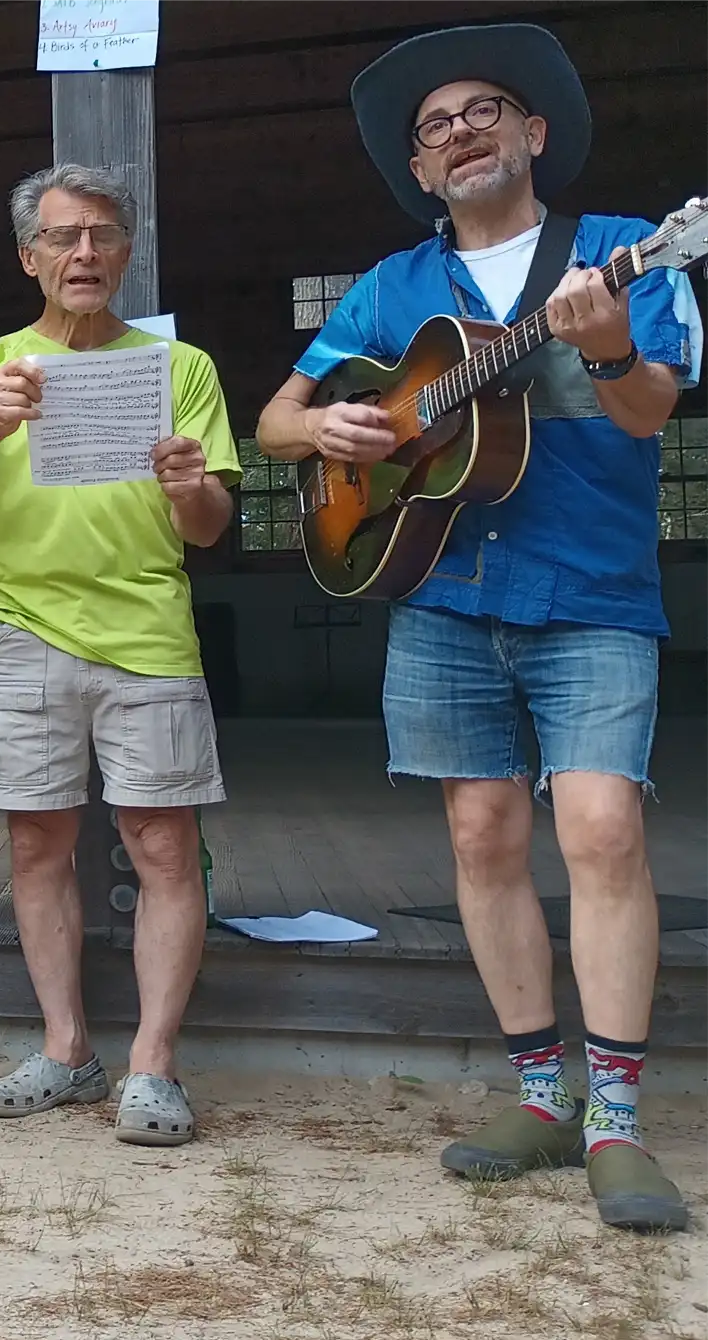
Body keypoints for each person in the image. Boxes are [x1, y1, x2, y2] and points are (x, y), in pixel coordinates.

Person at [255, 25, 702, 1229]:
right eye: (433, 127)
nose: (457, 133)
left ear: (534, 132)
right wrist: (328, 436)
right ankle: (539, 1096)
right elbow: (275, 420)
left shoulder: (621, 255)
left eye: (481, 112)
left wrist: (606, 346)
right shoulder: (394, 288)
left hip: (588, 587)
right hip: (440, 594)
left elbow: (652, 405)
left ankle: (614, 1120)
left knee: (601, 830)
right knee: (484, 836)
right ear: (419, 170)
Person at [0, 165, 240, 1147]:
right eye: (61, 238)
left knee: (160, 846)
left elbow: (209, 527)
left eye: (101, 235)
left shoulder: (176, 368)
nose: (84, 253)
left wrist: (188, 483)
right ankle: (66, 1048)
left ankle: (152, 1064)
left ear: (127, 251)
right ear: (30, 257)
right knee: (35, 845)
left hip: (147, 632)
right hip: (21, 628)